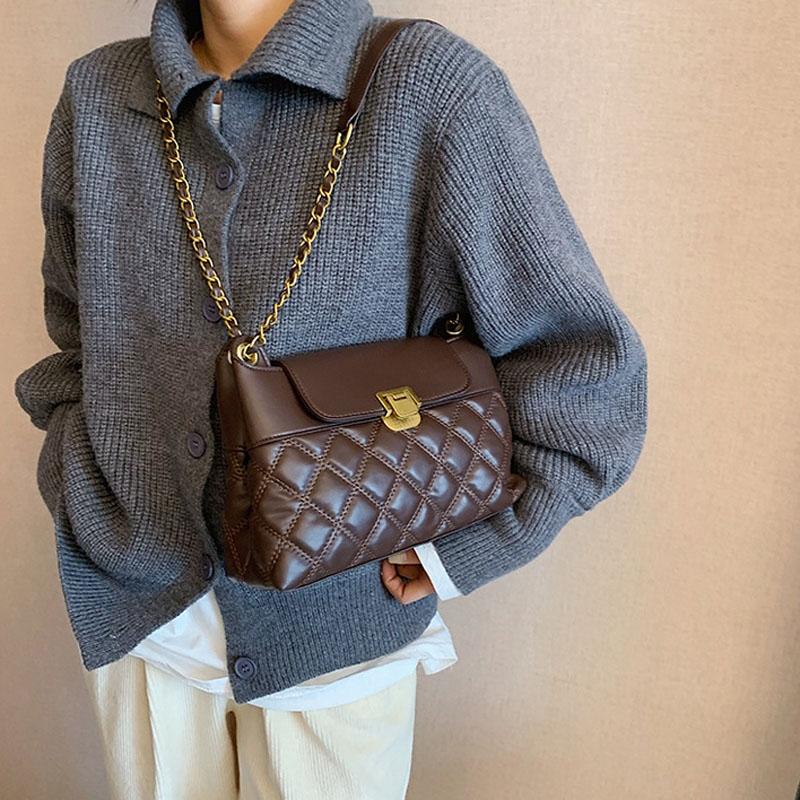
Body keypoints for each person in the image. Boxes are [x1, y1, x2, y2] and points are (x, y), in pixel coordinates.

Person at [13, 0, 648, 797]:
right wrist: (78, 482)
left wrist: (468, 551)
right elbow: (77, 338)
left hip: (339, 637)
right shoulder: (100, 93)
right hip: (143, 617)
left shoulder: (428, 87)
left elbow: (588, 376)